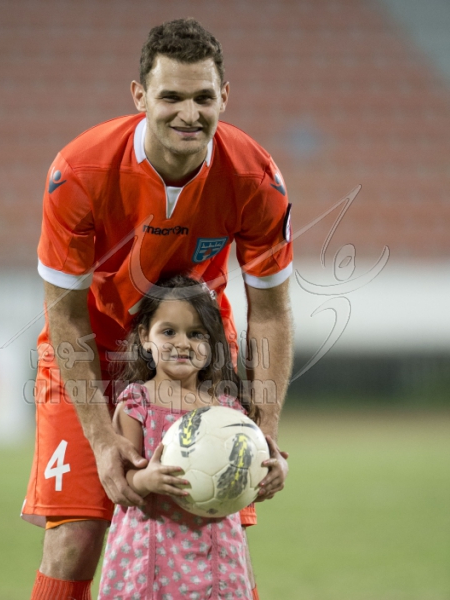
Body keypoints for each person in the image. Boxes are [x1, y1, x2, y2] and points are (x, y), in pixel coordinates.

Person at [23, 17, 293, 600]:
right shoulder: (79, 172)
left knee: (212, 526)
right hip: (90, 348)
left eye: (203, 98)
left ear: (225, 96)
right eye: (171, 96)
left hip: (192, 352)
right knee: (73, 542)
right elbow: (65, 315)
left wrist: (264, 427)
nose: (188, 114)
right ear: (140, 96)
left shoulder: (255, 178)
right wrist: (103, 440)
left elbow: (271, 311)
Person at [98, 275, 270, 600]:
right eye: (168, 332)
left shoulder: (227, 410)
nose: (182, 343)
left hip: (216, 552)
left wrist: (274, 471)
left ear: (211, 342)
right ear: (145, 337)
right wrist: (146, 479)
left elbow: (257, 462)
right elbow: (122, 480)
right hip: (153, 551)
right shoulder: (137, 403)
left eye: (195, 334)